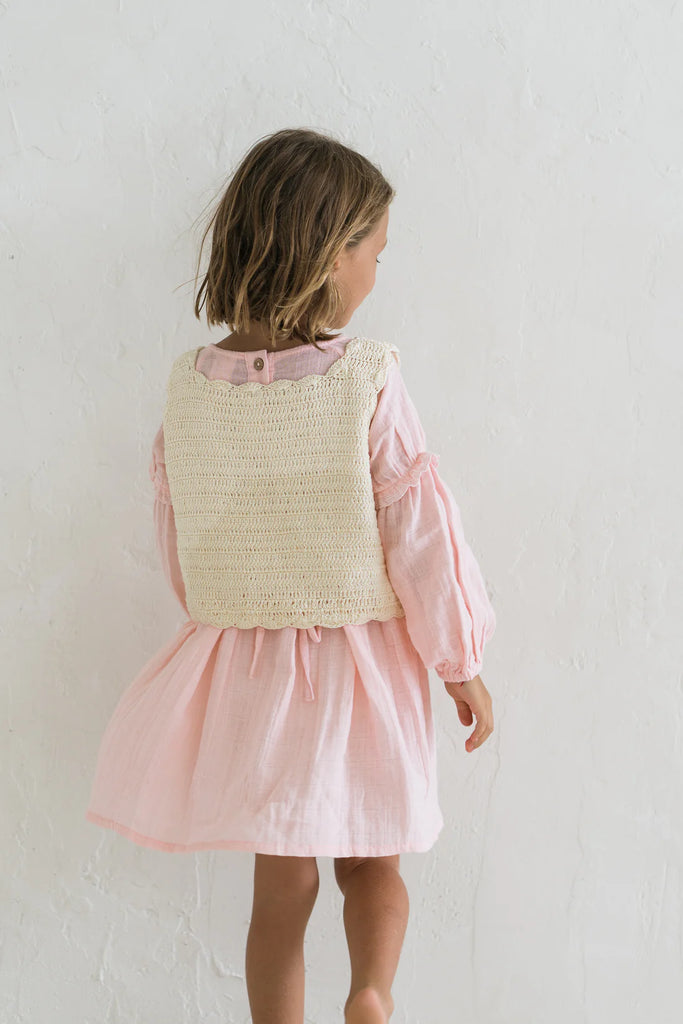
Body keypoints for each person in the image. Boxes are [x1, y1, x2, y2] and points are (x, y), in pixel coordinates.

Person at [85, 127, 496, 1024]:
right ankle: (371, 991)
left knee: (280, 886)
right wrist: (458, 660)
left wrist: (230, 610)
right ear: (329, 254)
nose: (378, 270)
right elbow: (419, 532)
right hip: (363, 668)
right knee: (372, 862)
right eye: (374, 250)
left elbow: (182, 541)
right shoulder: (367, 378)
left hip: (251, 675)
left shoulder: (190, 388)